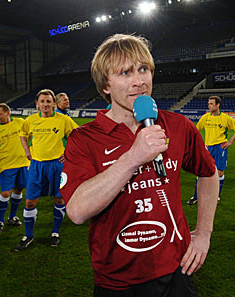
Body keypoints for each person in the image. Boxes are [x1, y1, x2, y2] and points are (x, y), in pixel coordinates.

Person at [60, 34, 219, 296]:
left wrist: (203, 233)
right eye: (125, 72)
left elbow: (209, 174)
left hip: (176, 272)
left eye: (143, 69)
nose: (139, 82)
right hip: (118, 281)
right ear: (106, 85)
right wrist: (133, 157)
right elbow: (77, 211)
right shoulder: (83, 139)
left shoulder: (178, 126)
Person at [15, 89, 78, 251]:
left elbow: (77, 135)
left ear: (54, 104)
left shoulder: (63, 119)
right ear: (37, 104)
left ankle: (55, 232)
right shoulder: (30, 120)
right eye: (42, 101)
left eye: (48, 101)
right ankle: (28, 235)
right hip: (37, 165)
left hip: (57, 165)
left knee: (59, 199)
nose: (45, 104)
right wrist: (27, 151)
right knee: (30, 201)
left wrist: (68, 153)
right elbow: (23, 135)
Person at [187, 95, 235, 205]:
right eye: (208, 104)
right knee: (201, 171)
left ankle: (216, 196)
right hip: (207, 148)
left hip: (220, 147)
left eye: (211, 104)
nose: (209, 106)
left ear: (218, 105)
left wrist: (230, 142)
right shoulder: (205, 117)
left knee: (220, 172)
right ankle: (196, 196)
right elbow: (196, 131)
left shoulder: (225, 118)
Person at [0, 103, 30, 234]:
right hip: (6, 166)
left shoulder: (20, 122)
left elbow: (31, 136)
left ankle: (12, 217)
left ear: (8, 113)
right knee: (6, 193)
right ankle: (0, 220)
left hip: (23, 164)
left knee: (18, 190)